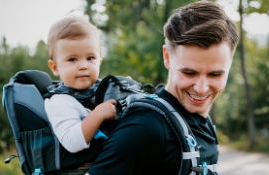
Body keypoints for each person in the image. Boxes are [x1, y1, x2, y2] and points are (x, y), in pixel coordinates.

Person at [86, 1, 239, 175]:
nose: (202, 88)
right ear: (167, 57)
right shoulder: (146, 128)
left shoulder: (202, 123)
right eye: (189, 73)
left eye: (215, 74)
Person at [44, 16, 117, 154]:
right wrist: (98, 114)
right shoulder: (60, 102)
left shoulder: (104, 89)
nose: (83, 66)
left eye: (90, 58)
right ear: (55, 67)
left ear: (99, 62)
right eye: (72, 59)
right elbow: (71, 142)